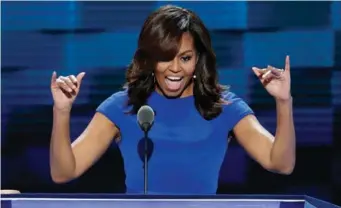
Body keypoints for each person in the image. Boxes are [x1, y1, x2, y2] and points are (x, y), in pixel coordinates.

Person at [49, 5, 295, 194]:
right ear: (150, 59)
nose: (175, 68)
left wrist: (284, 102)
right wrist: (62, 110)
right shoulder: (123, 106)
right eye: (165, 57)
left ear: (198, 59)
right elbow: (64, 172)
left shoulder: (224, 107)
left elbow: (281, 164)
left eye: (185, 58)